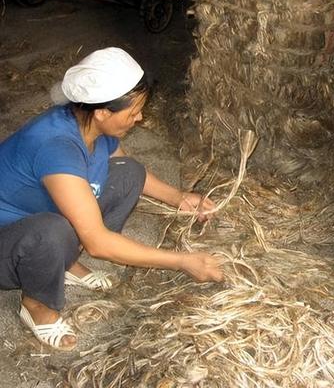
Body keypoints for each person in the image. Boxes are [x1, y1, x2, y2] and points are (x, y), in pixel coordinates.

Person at [0, 47, 224, 351]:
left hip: (40, 217)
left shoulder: (90, 123)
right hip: (9, 244)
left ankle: (65, 263)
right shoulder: (56, 146)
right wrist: (182, 261)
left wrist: (180, 197)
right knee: (51, 233)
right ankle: (37, 305)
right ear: (103, 111)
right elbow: (98, 243)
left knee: (129, 172)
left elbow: (123, 166)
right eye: (133, 113)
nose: (140, 117)